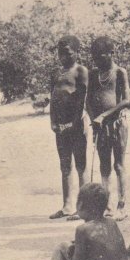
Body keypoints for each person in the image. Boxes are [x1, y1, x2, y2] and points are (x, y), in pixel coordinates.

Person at [42, 183, 130, 260]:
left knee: (62, 246)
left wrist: (73, 251)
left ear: (80, 205)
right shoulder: (112, 222)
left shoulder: (82, 230)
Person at [86, 37, 130, 220]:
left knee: (119, 165)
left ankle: (122, 204)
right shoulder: (93, 74)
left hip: (117, 124)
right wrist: (93, 119)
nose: (97, 60)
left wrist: (105, 116)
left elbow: (126, 100)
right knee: (104, 166)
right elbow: (88, 100)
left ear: (112, 53)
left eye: (100, 56)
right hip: (99, 126)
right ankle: (108, 206)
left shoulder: (120, 72)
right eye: (94, 57)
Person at [49, 35, 89, 220]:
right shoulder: (56, 74)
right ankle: (67, 206)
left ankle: (84, 207)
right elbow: (53, 100)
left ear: (76, 52)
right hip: (61, 126)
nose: (63, 56)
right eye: (60, 53)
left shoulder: (81, 71)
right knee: (65, 165)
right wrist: (53, 123)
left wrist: (75, 123)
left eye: (67, 52)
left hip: (76, 124)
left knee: (81, 165)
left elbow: (83, 100)